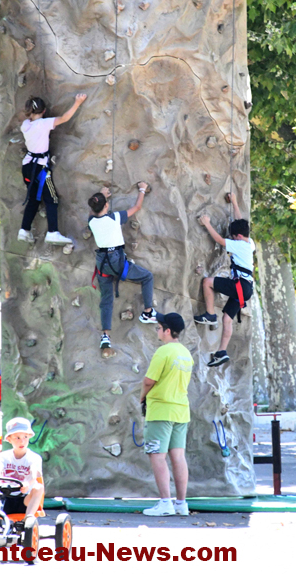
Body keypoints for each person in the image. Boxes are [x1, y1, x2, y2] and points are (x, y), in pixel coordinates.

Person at [88, 182, 157, 355]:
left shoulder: (91, 221)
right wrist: (142, 189)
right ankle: (148, 312)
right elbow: (137, 207)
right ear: (106, 205)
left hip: (102, 263)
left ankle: (105, 335)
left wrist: (101, 196)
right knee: (147, 277)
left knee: (106, 299)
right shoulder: (114, 218)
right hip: (116, 261)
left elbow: (93, 211)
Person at [140, 311, 193, 517]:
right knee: (178, 456)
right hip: (181, 410)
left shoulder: (163, 352)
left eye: (159, 327)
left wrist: (142, 398)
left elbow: (148, 381)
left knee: (157, 456)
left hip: (161, 410)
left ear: (167, 331)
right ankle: (181, 503)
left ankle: (165, 503)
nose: (157, 330)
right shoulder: (186, 354)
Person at [194, 192, 255, 367]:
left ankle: (210, 314)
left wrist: (207, 224)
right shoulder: (250, 243)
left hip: (240, 285)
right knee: (227, 319)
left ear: (238, 237)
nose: (232, 238)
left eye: (233, 236)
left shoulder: (238, 244)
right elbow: (240, 222)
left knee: (207, 282)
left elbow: (220, 240)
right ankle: (221, 352)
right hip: (246, 288)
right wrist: (234, 202)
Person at [18, 93, 87, 245]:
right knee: (51, 198)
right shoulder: (44, 124)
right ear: (44, 111)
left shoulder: (25, 125)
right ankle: (52, 232)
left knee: (34, 199)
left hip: (27, 165)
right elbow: (64, 118)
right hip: (40, 168)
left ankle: (24, 230)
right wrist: (78, 102)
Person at [0, 417, 44, 530]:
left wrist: (27, 484)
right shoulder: (4, 456)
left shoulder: (34, 458)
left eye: (25, 437)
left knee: (38, 487)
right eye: (17, 438)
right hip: (5, 498)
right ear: (9, 439)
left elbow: (34, 474)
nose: (22, 441)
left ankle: (27, 521)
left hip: (25, 500)